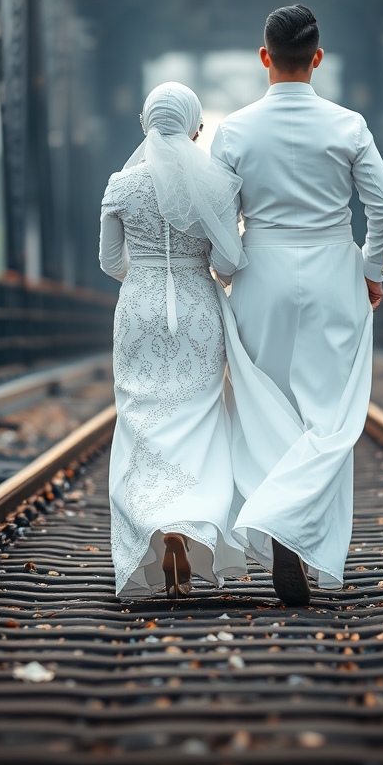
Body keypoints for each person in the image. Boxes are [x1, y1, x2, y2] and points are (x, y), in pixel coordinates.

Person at [210, 5, 383, 605]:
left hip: (260, 272)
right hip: (332, 275)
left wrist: (228, 266)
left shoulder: (235, 129)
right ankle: (295, 524)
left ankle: (273, 520)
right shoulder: (347, 125)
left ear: (264, 57)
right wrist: (371, 271)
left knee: (267, 407)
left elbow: (217, 216)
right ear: (317, 59)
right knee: (331, 415)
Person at [99, 81, 247, 598]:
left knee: (141, 418)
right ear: (195, 127)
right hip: (197, 305)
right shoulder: (215, 182)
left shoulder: (120, 184)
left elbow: (108, 261)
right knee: (200, 417)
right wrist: (194, 268)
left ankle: (155, 530)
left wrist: (143, 278)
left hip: (138, 308)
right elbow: (228, 262)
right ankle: (189, 520)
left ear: (144, 125)